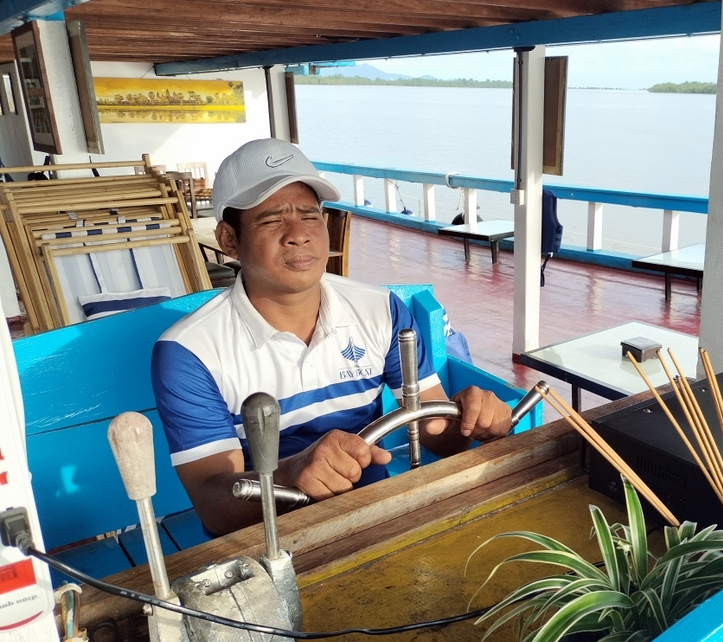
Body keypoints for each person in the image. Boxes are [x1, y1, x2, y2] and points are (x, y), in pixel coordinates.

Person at [152, 139, 512, 536]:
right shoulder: (190, 351)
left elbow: (436, 436)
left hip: (376, 510)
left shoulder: (381, 310)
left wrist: (468, 416)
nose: (298, 235)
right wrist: (290, 473)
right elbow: (214, 508)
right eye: (271, 220)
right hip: (268, 537)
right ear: (229, 240)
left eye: (310, 216)